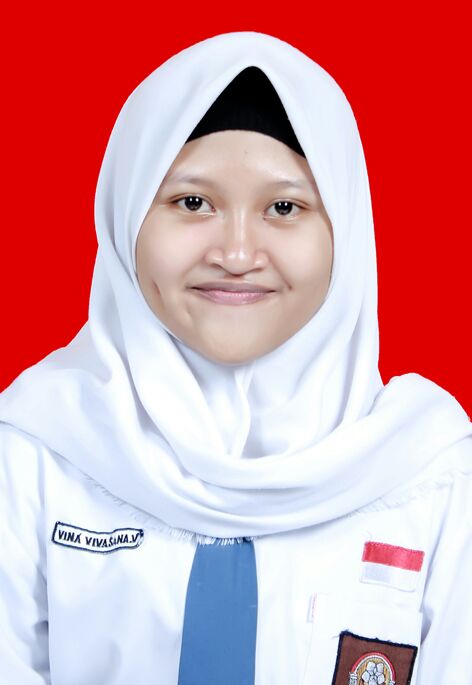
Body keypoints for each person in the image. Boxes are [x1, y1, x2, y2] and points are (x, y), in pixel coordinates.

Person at [0, 30, 471, 685]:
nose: (238, 253)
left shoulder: (431, 472)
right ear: (126, 215)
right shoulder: (34, 452)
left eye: (284, 207)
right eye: (193, 202)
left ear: (346, 228)